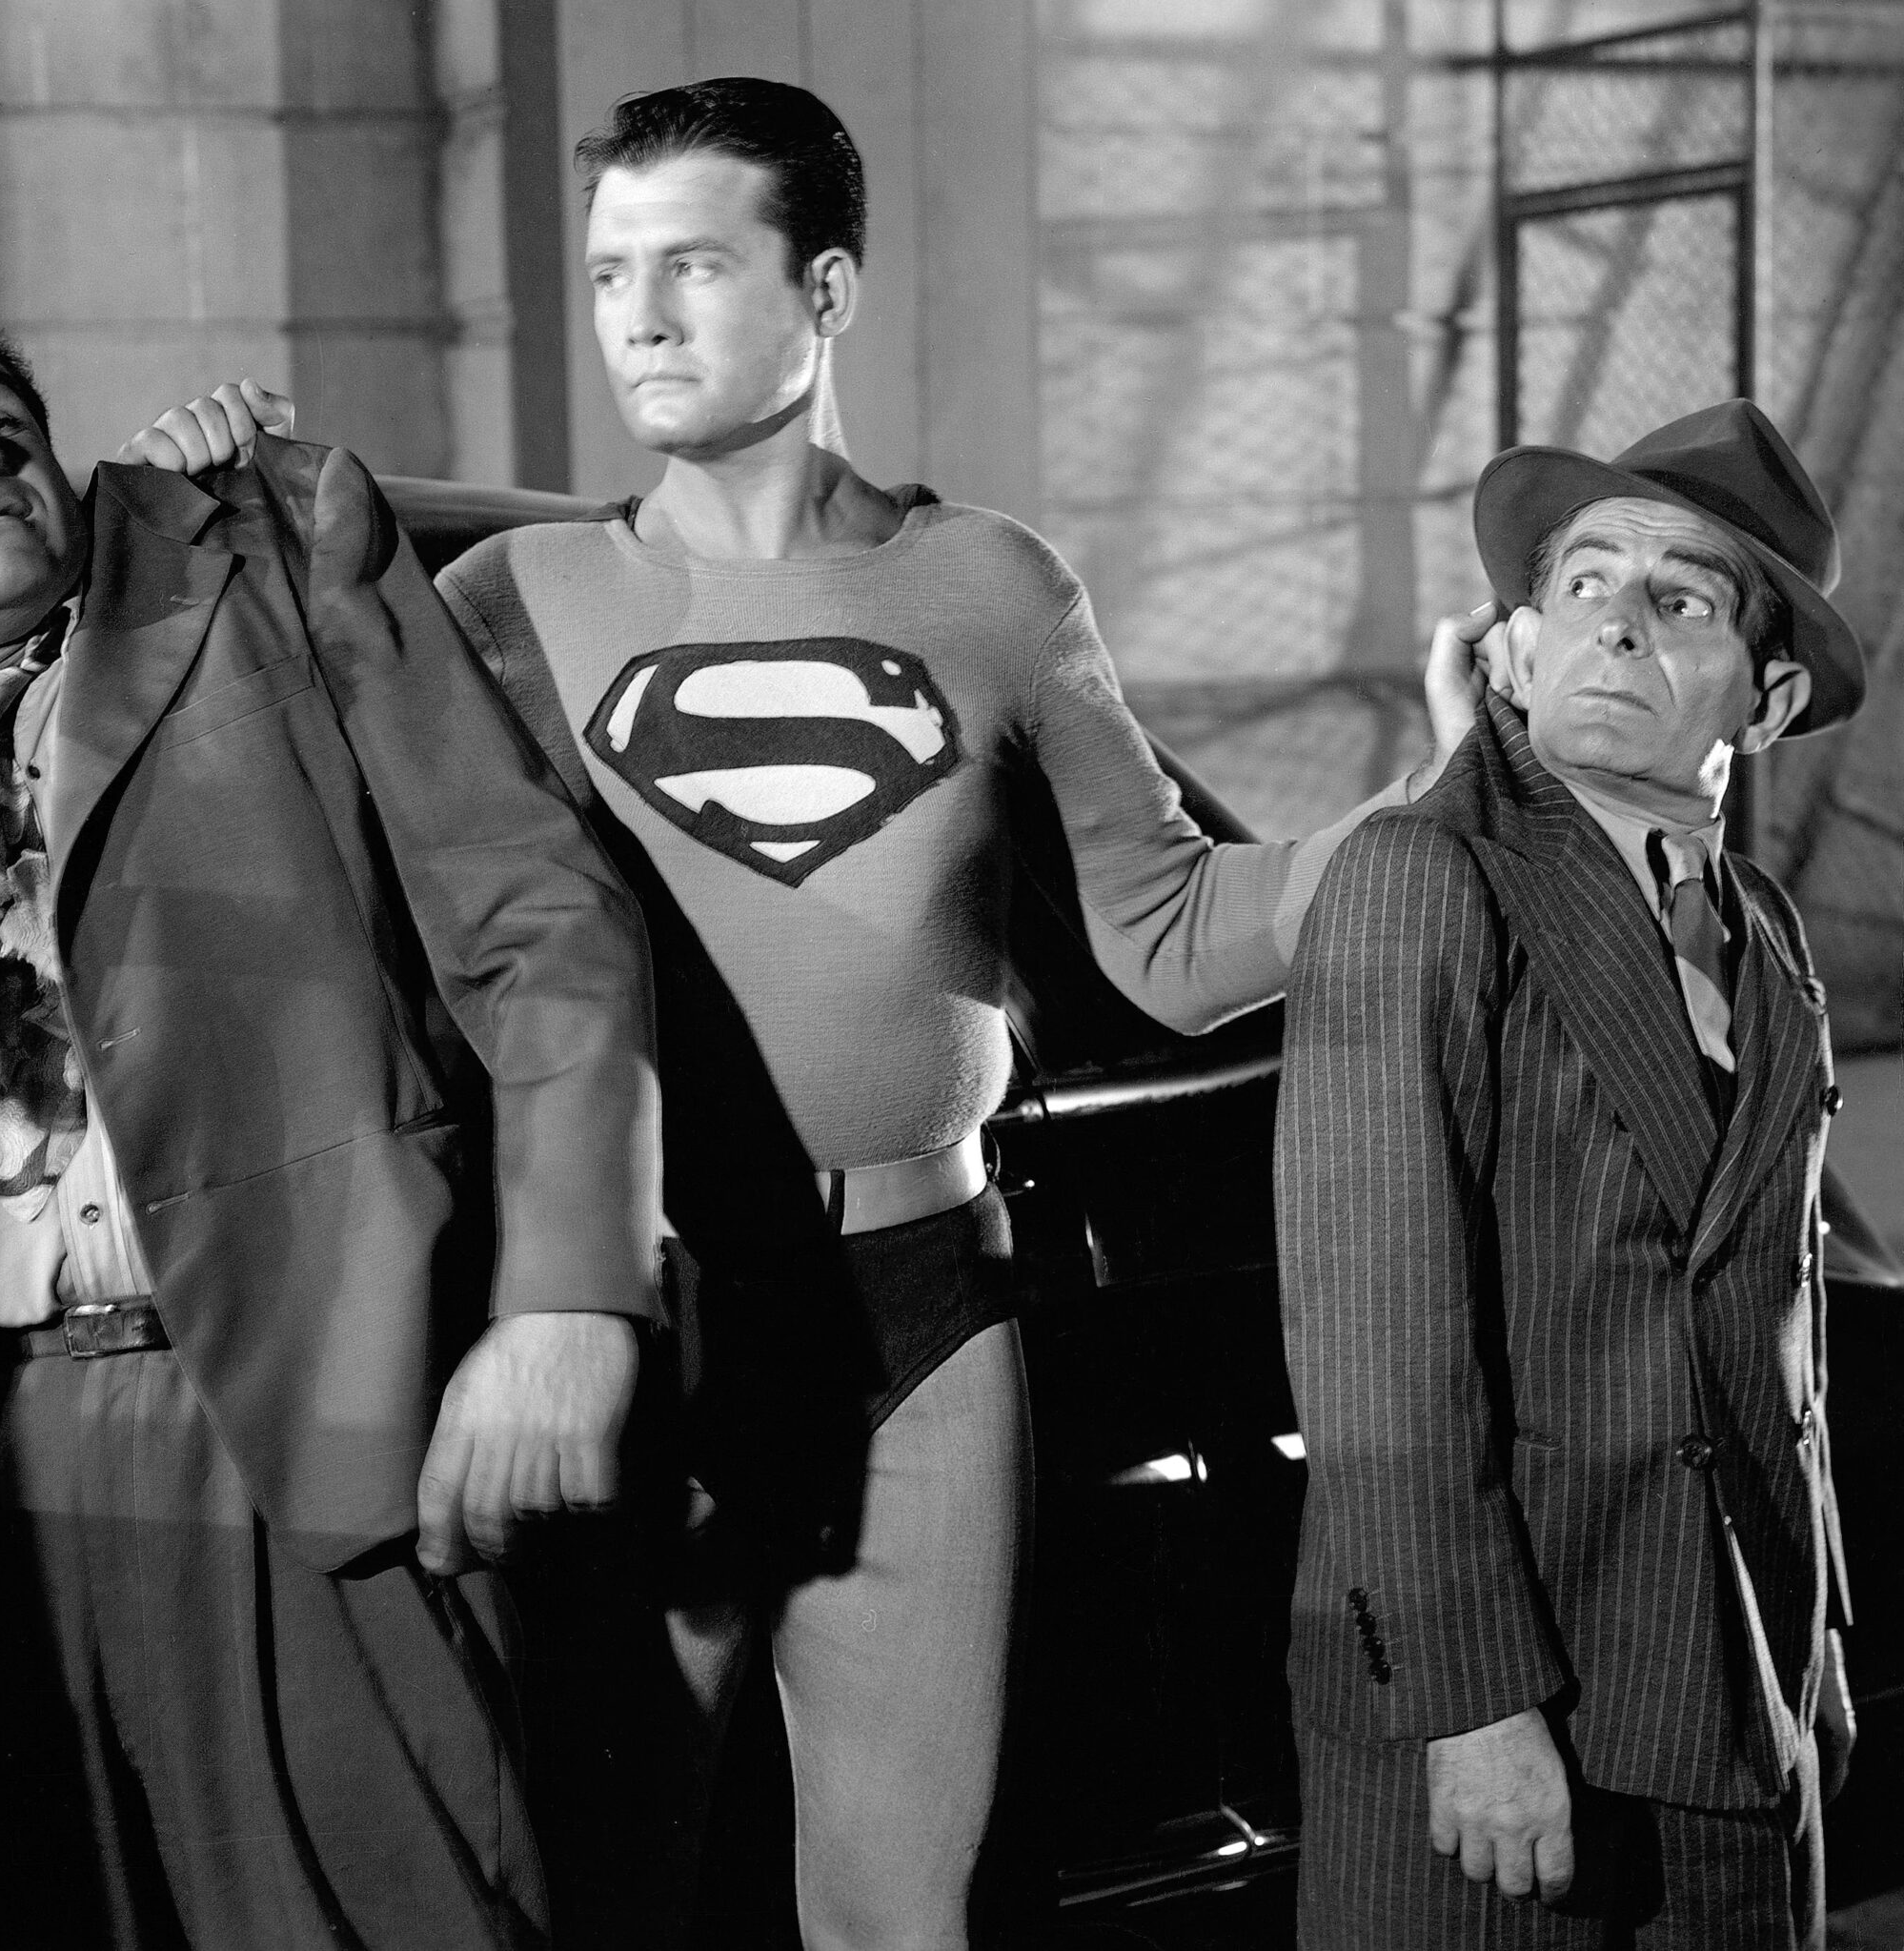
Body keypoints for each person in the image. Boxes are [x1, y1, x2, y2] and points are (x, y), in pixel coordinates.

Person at [129, 77, 1480, 1948]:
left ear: (825, 291)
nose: (640, 319)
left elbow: (1171, 935)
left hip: (923, 1311)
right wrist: (201, 532)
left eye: (693, 265)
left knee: (899, 1912)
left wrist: (1434, 806)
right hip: (646, 1317)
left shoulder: (991, 588)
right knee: (586, 1895)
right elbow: (283, 875)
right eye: (610, 275)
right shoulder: (511, 603)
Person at [0, 273, 660, 1949]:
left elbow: (544, 926)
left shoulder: (261, 580)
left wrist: (571, 1297)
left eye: (1, 417)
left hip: (321, 1417)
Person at [1277, 398, 1864, 1949]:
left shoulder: (1765, 932)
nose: (1618, 624)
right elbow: (1374, 1343)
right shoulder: (1423, 876)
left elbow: (1778, 1332)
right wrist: (1471, 1708)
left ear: (1768, 695)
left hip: (1736, 1706)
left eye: (1682, 602)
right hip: (1511, 1729)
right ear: (1519, 652)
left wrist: (1814, 1648)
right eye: (1584, 584)